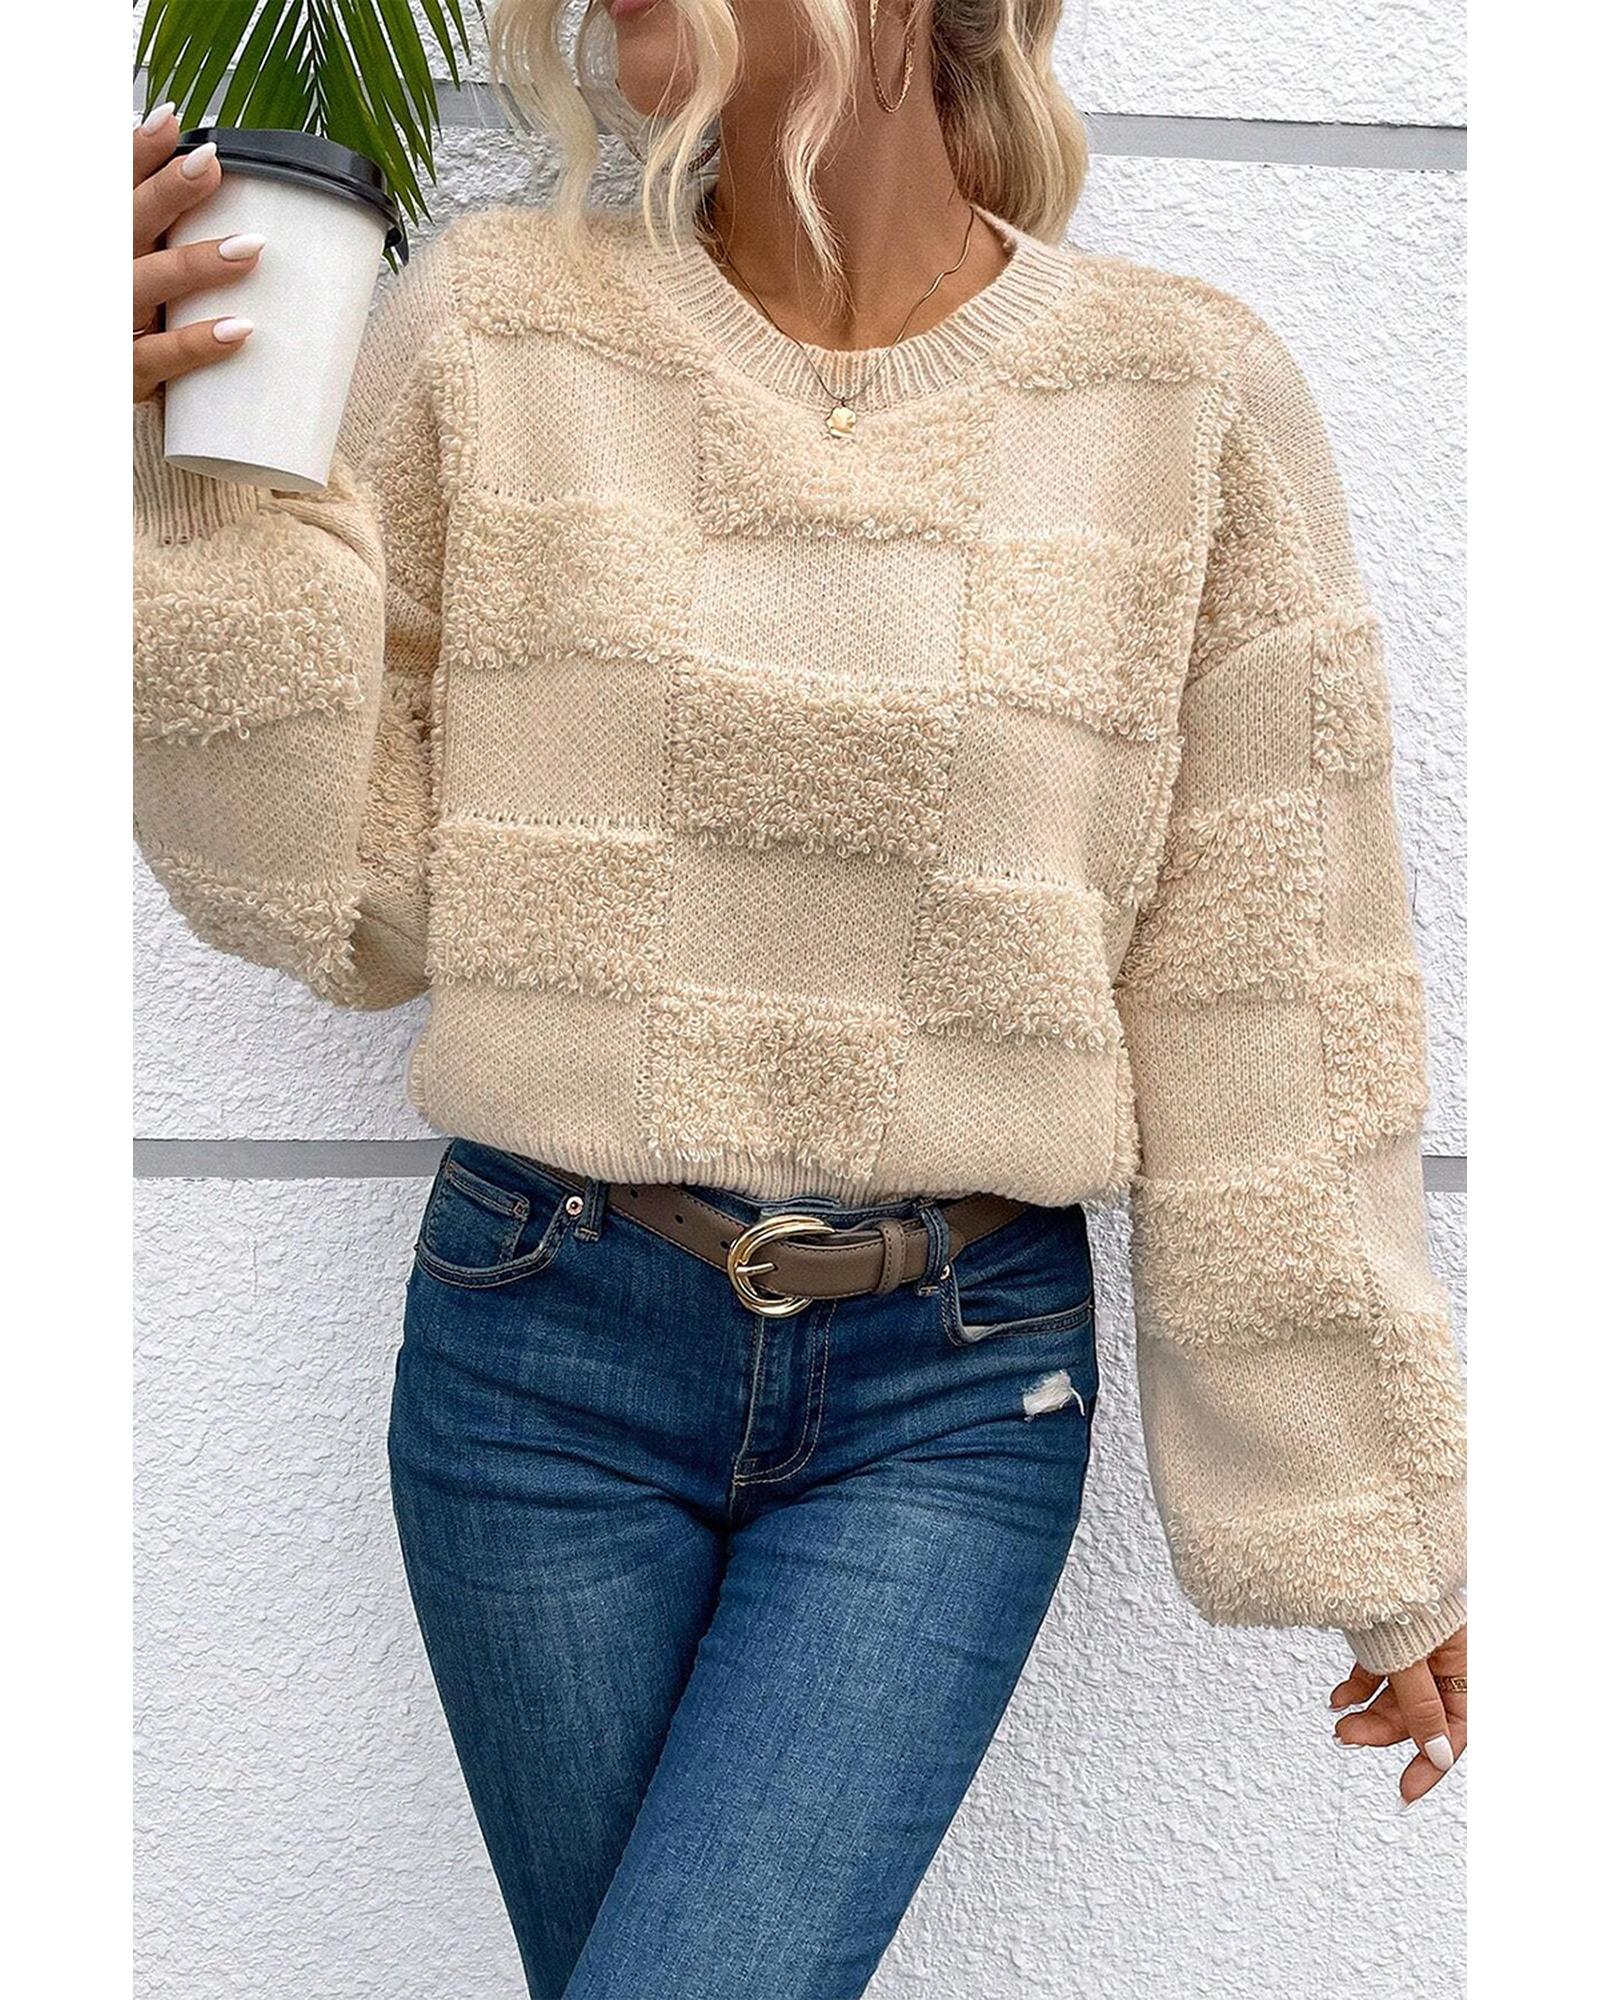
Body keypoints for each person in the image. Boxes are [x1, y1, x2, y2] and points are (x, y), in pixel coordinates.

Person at [131, 3, 1467, 1994]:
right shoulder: (491, 329)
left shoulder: (1179, 396)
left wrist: (1374, 1521)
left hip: (951, 1388)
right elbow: (337, 901)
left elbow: (1275, 988)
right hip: (538, 1356)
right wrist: (194, 500)